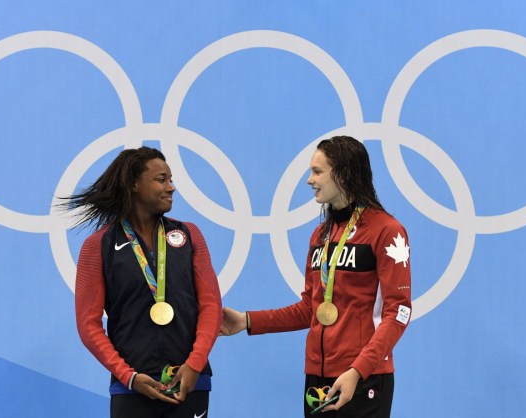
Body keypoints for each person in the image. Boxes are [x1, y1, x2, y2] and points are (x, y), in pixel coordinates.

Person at [220, 136, 412, 417]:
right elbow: (311, 309)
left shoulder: (387, 231)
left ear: (344, 174)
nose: (309, 180)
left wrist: (358, 370)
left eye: (318, 171)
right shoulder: (320, 236)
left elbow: (399, 312)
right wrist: (247, 321)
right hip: (317, 379)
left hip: (364, 378)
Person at [64, 146, 222, 418]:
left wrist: (195, 365)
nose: (171, 187)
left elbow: (211, 306)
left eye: (171, 180)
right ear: (134, 184)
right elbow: (88, 324)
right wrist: (129, 377)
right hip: (131, 389)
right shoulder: (98, 246)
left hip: (190, 384)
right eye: (161, 180)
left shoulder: (189, 235)